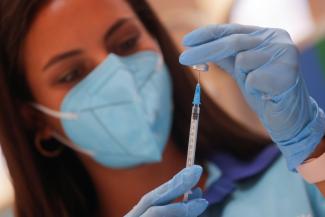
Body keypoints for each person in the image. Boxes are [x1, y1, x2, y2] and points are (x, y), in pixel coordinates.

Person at [0, 0, 324, 217]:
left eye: (126, 44)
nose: (120, 76)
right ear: (33, 118)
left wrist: (315, 155)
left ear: (158, 43)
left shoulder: (293, 181)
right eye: (72, 74)